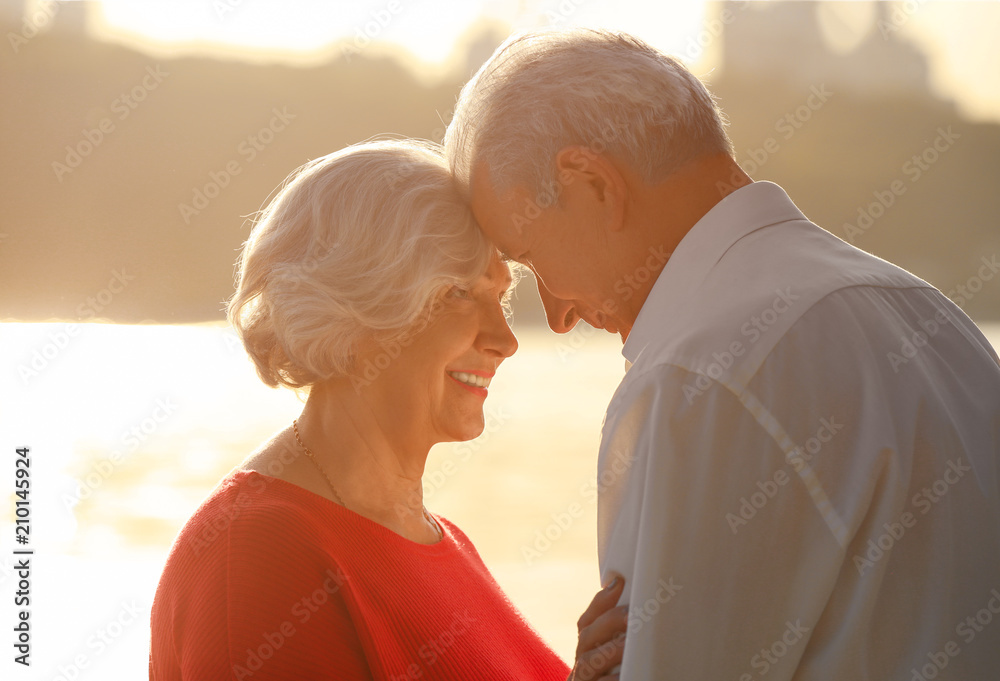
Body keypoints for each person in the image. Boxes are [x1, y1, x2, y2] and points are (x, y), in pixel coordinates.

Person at [445, 28, 1000, 680]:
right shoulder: (936, 319)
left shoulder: (694, 380)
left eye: (531, 256)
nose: (559, 314)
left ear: (592, 182)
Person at [149, 139, 627, 680]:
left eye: (499, 297)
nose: (505, 339)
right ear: (351, 310)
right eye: (458, 295)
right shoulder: (257, 554)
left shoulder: (438, 536)